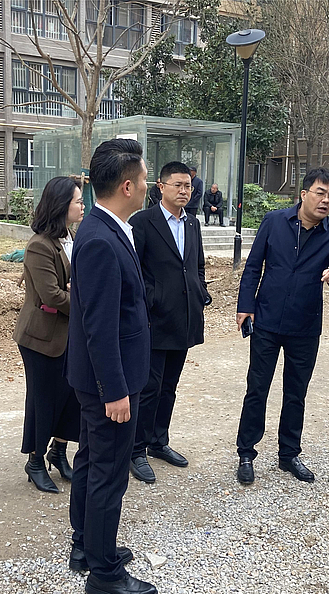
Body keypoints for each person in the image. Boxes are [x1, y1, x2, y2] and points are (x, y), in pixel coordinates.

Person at [65, 139, 157, 594]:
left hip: (102, 377)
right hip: (111, 381)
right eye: (144, 179)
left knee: (90, 461)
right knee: (109, 472)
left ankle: (87, 544)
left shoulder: (106, 225)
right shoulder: (101, 237)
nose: (147, 186)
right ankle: (103, 572)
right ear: (126, 186)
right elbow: (98, 327)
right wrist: (115, 391)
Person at [235, 167, 329, 485]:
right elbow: (253, 266)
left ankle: (289, 454)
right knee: (257, 389)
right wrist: (245, 306)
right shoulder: (274, 221)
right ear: (304, 194)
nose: (326, 200)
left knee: (296, 393)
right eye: (320, 193)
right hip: (267, 320)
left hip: (305, 324)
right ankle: (246, 453)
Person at [128, 162, 211, 484]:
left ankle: (158, 441)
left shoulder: (192, 223)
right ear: (160, 187)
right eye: (177, 185)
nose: (184, 191)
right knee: (149, 388)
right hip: (154, 319)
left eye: (188, 186)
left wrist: (200, 292)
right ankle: (136, 449)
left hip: (184, 317)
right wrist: (153, 298)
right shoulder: (143, 222)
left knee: (169, 387)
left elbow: (197, 265)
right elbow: (134, 270)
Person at [13, 176, 83, 494]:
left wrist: (76, 289)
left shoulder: (71, 238)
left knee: (72, 397)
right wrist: (83, 298)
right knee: (42, 400)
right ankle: (35, 460)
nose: (83, 206)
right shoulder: (39, 245)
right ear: (61, 205)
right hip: (41, 339)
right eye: (78, 201)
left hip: (70, 335)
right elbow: (51, 295)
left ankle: (59, 451)